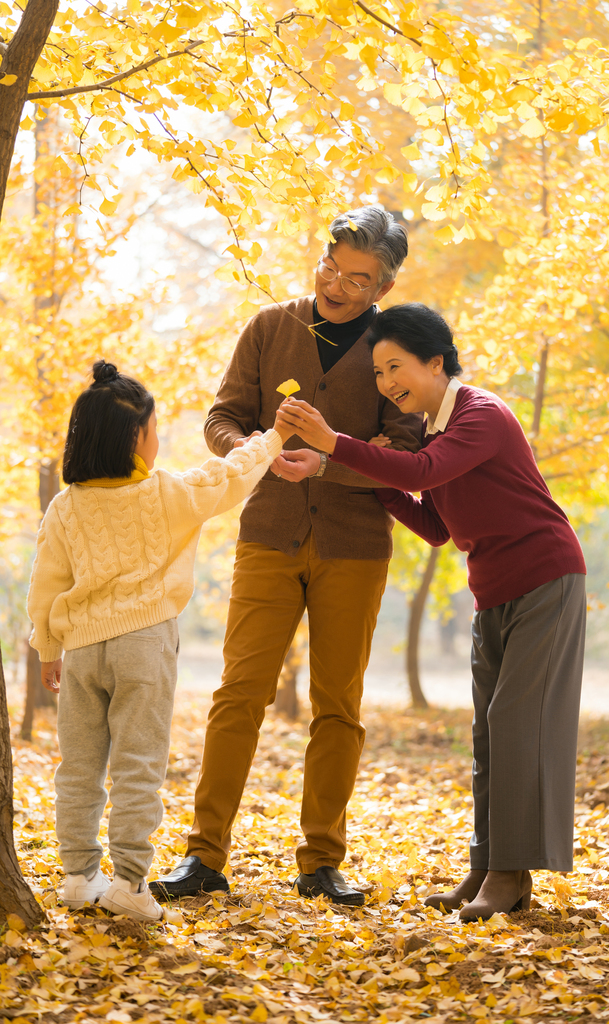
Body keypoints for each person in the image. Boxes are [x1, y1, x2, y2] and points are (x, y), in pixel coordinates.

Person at [275, 303, 587, 922]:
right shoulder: (438, 432)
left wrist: (334, 444)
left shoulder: (481, 414)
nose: (388, 383)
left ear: (435, 362)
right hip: (492, 590)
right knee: (487, 733)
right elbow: (436, 525)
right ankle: (486, 867)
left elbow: (424, 471)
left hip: (546, 578)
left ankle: (510, 874)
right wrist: (346, 468)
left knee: (516, 723)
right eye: (379, 374)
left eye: (396, 368)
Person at [149, 206, 421, 907]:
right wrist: (261, 450)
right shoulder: (271, 326)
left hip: (354, 547)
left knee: (339, 705)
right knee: (238, 695)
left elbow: (405, 452)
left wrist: (327, 459)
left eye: (358, 279)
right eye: (332, 265)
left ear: (381, 287)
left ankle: (321, 861)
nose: (338, 283)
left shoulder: (394, 350)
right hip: (268, 536)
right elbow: (221, 418)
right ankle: (203, 856)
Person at [27, 360, 291, 922]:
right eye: (152, 430)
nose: (156, 440)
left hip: (80, 652)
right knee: (138, 766)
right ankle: (128, 882)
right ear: (132, 439)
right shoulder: (167, 492)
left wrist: (49, 647)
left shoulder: (66, 505)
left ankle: (76, 875)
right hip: (143, 645)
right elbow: (231, 474)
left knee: (77, 766)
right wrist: (276, 437)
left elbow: (45, 581)